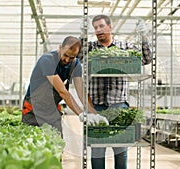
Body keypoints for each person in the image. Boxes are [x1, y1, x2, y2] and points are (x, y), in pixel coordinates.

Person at [79, 15, 152, 169]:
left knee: (120, 149)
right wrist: (82, 36)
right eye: (95, 28)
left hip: (119, 105)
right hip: (96, 107)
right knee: (97, 150)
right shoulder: (90, 48)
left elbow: (146, 59)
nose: (98, 30)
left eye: (101, 26)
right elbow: (77, 57)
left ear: (110, 27)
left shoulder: (124, 47)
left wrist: (143, 36)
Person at [22, 36, 108, 137]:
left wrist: (94, 113)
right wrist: (81, 114)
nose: (67, 60)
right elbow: (63, 92)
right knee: (32, 142)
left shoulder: (75, 65)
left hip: (52, 111)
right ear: (60, 48)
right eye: (65, 55)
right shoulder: (47, 61)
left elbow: (82, 93)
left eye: (72, 57)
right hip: (33, 110)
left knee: (56, 143)